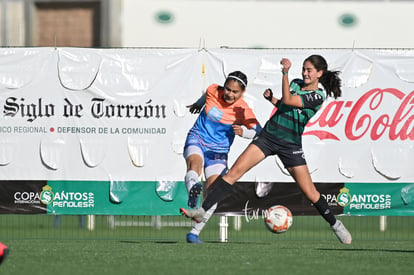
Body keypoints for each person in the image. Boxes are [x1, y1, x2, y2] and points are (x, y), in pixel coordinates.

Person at [180, 55, 352, 245]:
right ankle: (201, 211)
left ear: (320, 73)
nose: (304, 73)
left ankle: (336, 225)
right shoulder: (295, 83)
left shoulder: (318, 96)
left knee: (311, 193)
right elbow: (285, 105)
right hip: (268, 137)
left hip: (290, 145)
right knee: (233, 174)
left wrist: (285, 72)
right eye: (303, 69)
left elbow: (289, 100)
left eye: (309, 70)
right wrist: (273, 100)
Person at [183, 71, 262, 209]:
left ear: (242, 92)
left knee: (214, 192)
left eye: (235, 92)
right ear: (223, 86)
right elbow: (206, 96)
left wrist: (244, 132)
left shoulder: (243, 110)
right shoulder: (213, 89)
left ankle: (195, 230)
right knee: (194, 164)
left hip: (218, 150)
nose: (230, 94)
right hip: (198, 138)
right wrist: (198, 104)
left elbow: (259, 132)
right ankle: (193, 191)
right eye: (228, 89)